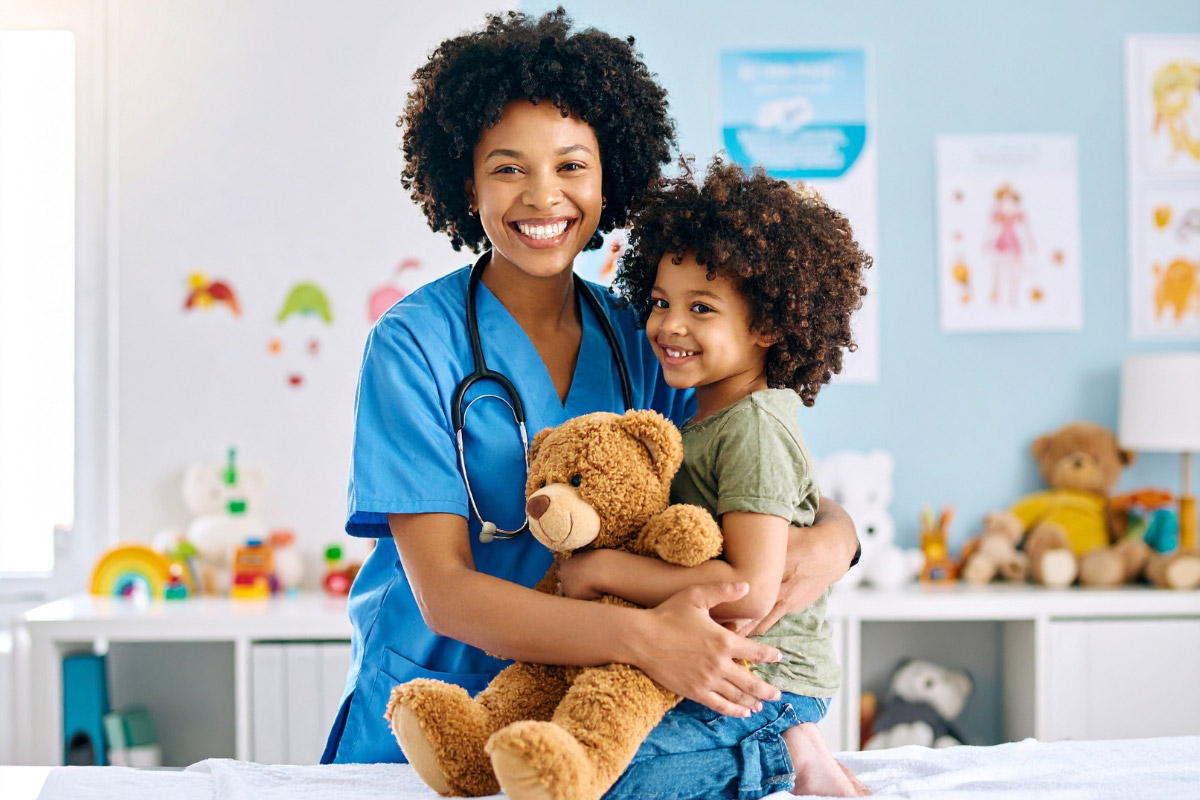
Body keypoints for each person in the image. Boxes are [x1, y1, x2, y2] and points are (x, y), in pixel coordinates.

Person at [321, 8, 859, 781]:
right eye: (508, 167)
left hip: (595, 720)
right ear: (464, 181)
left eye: (573, 165)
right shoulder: (414, 344)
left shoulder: (647, 337)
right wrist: (642, 640)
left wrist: (839, 540)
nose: (544, 198)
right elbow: (446, 595)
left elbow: (749, 476)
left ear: (611, 177)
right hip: (439, 716)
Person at [559, 156, 872, 797]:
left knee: (615, 780)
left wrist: (601, 571)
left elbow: (751, 593)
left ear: (768, 325)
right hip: (712, 660)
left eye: (701, 307)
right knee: (576, 743)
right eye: (660, 302)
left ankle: (782, 752)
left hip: (769, 680)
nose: (669, 325)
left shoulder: (754, 426)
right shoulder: (706, 421)